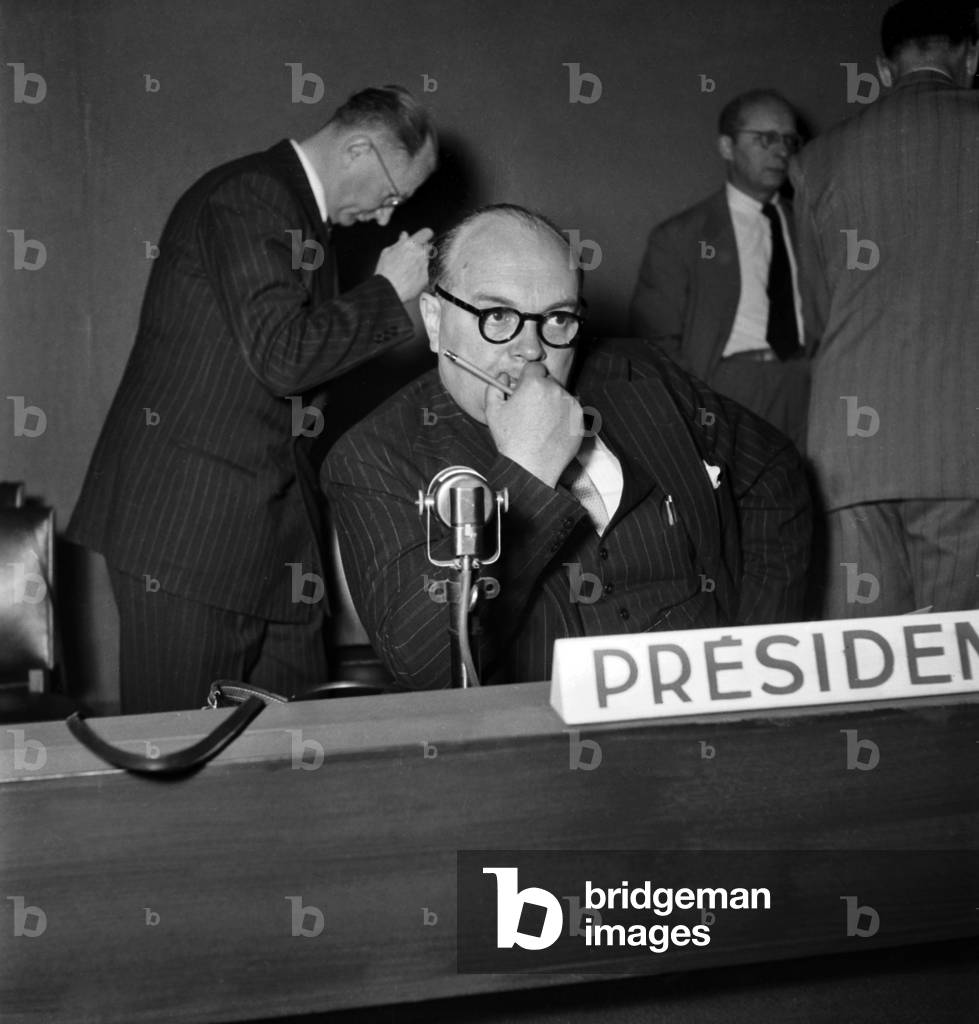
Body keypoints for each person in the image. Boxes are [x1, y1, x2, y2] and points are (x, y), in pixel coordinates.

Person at [325, 205, 811, 690]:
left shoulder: (640, 376)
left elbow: (774, 471)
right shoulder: (374, 456)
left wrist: (757, 647)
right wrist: (526, 469)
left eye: (557, 318)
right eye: (497, 315)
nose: (532, 348)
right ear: (434, 321)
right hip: (549, 741)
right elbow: (426, 667)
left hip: (713, 704)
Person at [67, 85, 438, 712]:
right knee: (180, 761)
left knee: (286, 762)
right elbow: (282, 357)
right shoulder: (253, 196)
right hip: (186, 539)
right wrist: (386, 289)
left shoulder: (293, 214)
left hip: (266, 543)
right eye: (393, 195)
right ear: (358, 148)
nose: (384, 216)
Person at [790, 0, 979, 618]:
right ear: (971, 55)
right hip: (963, 447)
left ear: (884, 65)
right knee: (962, 678)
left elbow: (814, 314)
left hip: (849, 452)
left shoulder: (818, 158)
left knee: (864, 667)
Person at [630, 90, 809, 450]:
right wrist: (702, 399)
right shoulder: (680, 236)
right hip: (728, 389)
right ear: (727, 146)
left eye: (789, 140)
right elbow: (656, 341)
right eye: (765, 138)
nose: (781, 151)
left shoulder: (813, 225)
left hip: (806, 385)